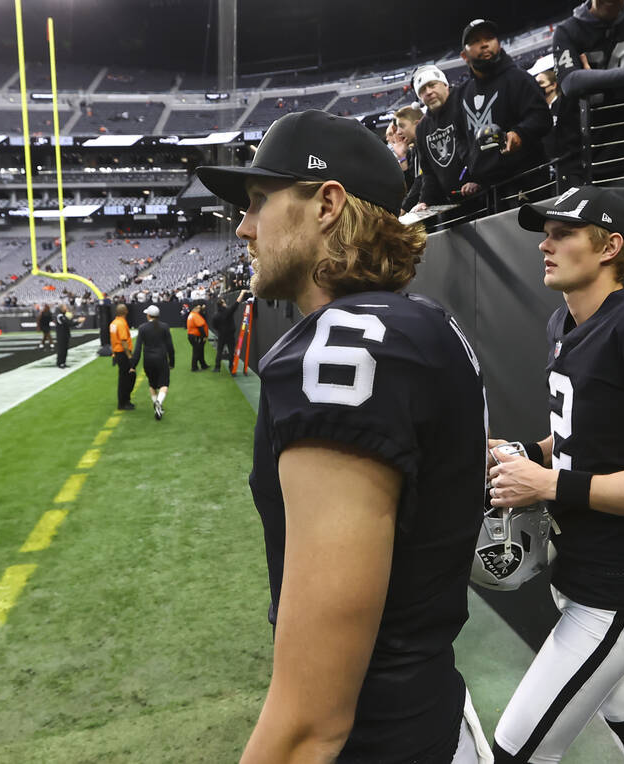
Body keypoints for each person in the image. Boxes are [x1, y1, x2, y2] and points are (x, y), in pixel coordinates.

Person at [195, 110, 490, 764]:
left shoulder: (342, 350)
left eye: (259, 202)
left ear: (326, 204)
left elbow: (312, 723)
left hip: (380, 737)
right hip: (433, 709)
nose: (244, 227)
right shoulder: (422, 325)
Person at [486, 185, 624, 763]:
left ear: (610, 246)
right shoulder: (565, 321)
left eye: (563, 233)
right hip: (583, 574)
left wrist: (552, 485)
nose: (545, 243)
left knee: (517, 749)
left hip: (620, 590)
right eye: (545, 231)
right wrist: (524, 454)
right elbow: (576, 434)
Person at [551, 0, 624, 185]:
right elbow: (570, 83)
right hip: (576, 149)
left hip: (622, 145)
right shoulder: (567, 30)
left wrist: (591, 79)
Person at [458, 19, 553, 192]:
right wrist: (473, 161)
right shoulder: (463, 93)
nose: (484, 44)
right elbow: (460, 136)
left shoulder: (519, 78)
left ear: (499, 44)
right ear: (464, 55)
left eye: (489, 38)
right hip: (486, 190)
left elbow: (542, 117)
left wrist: (519, 134)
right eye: (476, 41)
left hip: (527, 182)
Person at [410, 64, 476, 211]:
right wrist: (424, 200)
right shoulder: (422, 128)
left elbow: (479, 145)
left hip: (482, 195)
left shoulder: (464, 103)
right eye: (422, 90)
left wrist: (477, 179)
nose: (429, 92)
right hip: (451, 203)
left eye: (432, 85)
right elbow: (428, 172)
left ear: (445, 84)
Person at [130, 304, 174, 420]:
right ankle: (159, 402)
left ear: (149, 315)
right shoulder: (164, 327)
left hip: (148, 359)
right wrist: (172, 362)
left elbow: (138, 348)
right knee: (164, 384)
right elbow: (170, 346)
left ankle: (156, 405)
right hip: (161, 358)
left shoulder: (142, 328)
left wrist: (133, 365)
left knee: (152, 384)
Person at [109, 303, 136, 410]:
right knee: (127, 378)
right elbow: (123, 340)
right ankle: (123, 402)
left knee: (125, 378)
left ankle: (125, 401)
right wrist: (129, 356)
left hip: (117, 353)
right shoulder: (121, 323)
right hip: (123, 354)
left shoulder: (113, 323)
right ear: (125, 312)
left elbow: (113, 340)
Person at [186, 304, 210, 371]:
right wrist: (204, 336)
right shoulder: (195, 315)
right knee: (197, 351)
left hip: (192, 335)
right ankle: (194, 367)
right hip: (195, 336)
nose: (200, 310)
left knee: (199, 350)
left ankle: (203, 365)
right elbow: (200, 327)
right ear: (195, 309)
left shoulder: (192, 314)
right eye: (199, 308)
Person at [53, 304, 75, 368]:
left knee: (65, 349)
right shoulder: (59, 316)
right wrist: (78, 321)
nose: (66, 308)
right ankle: (60, 362)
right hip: (61, 335)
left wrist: (68, 313)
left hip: (65, 334)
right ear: (61, 308)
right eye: (65, 307)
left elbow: (70, 319)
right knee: (61, 349)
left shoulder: (63, 315)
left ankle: (63, 362)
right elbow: (68, 323)